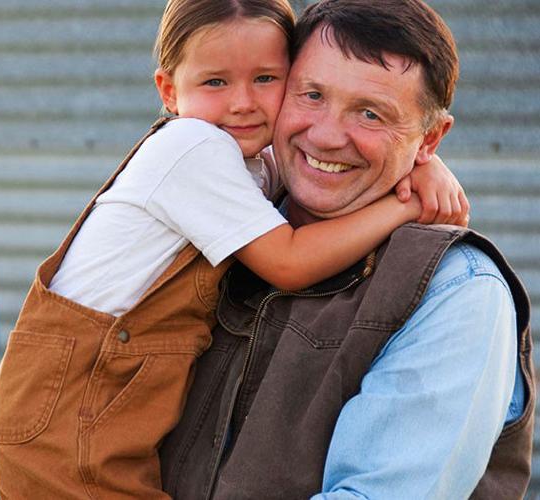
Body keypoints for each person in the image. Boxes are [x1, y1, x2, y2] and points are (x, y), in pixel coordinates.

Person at [0, 1, 469, 498]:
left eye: (266, 79)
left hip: (104, 400)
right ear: (170, 91)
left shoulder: (249, 160)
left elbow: (321, 171)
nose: (243, 103)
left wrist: (417, 161)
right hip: (71, 406)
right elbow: (289, 261)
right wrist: (404, 205)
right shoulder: (193, 147)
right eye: (216, 82)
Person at [159, 1, 534, 498]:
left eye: (371, 114)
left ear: (431, 138)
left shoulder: (457, 291)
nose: (327, 136)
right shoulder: (221, 216)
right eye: (311, 95)